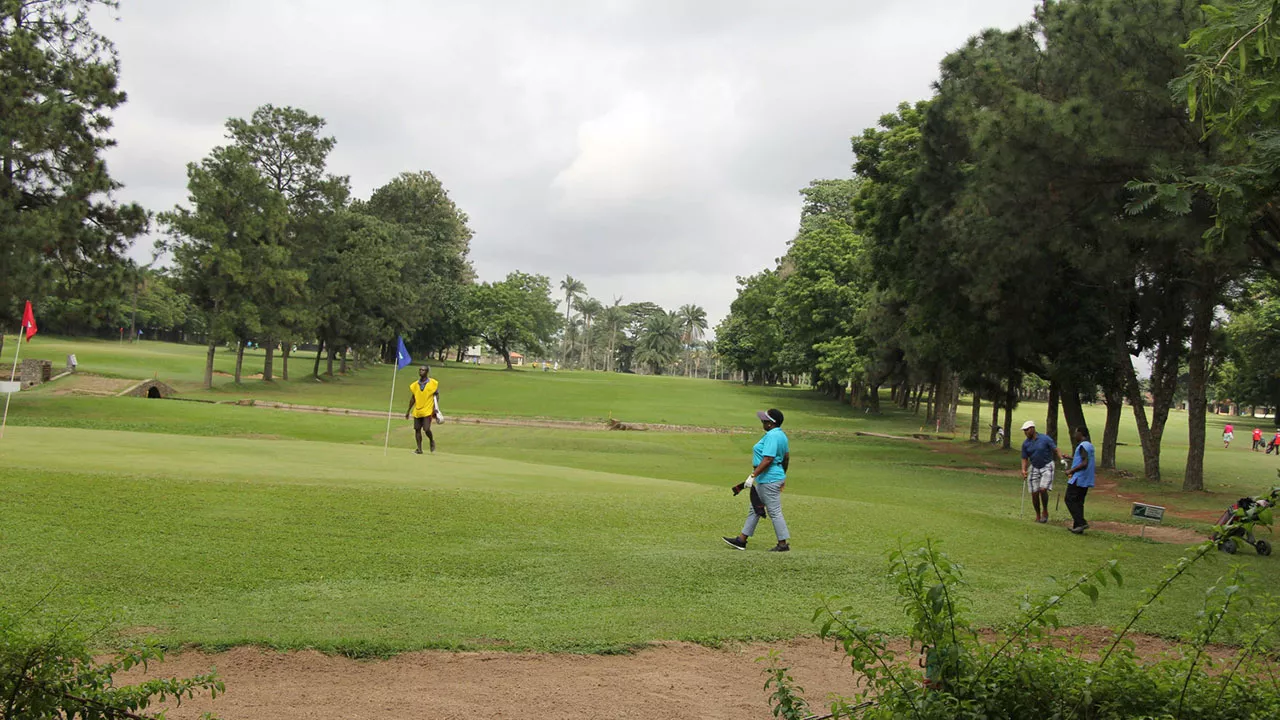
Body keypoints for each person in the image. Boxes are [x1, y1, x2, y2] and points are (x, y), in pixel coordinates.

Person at [724, 409, 791, 552]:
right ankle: (741, 540)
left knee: (774, 511)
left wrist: (753, 475)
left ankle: (783, 544)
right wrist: (782, 476)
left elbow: (768, 459)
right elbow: (786, 458)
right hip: (772, 477)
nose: (762, 422)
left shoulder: (772, 436)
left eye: (765, 420)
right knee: (755, 508)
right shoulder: (781, 435)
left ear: (772, 423)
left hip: (769, 479)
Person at [1020, 420, 1064, 524]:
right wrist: (1023, 469)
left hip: (1047, 465)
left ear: (1032, 429)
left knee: (1043, 489)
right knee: (1034, 493)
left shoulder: (1045, 439)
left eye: (1026, 430)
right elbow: (1024, 458)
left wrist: (1061, 458)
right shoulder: (1025, 444)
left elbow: (1056, 449)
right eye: (1024, 430)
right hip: (1034, 467)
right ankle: (1038, 515)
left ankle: (1045, 511)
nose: (1025, 432)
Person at [1064, 427, 1095, 534]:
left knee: (1069, 499)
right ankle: (1078, 527)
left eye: (1075, 432)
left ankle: (1081, 522)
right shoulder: (1089, 445)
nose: (1074, 435)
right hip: (1086, 479)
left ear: (1080, 433)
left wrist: (1071, 471)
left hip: (1079, 478)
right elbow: (1083, 459)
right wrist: (1071, 458)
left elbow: (1084, 463)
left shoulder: (1083, 445)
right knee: (1078, 502)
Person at [404, 365, 440, 454]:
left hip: (427, 410)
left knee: (426, 429)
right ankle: (419, 449)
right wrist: (408, 411)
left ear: (427, 372)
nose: (421, 371)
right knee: (417, 429)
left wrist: (435, 407)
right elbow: (413, 398)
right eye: (420, 370)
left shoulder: (432, 383)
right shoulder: (415, 385)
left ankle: (431, 440)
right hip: (417, 410)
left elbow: (436, 395)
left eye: (423, 370)